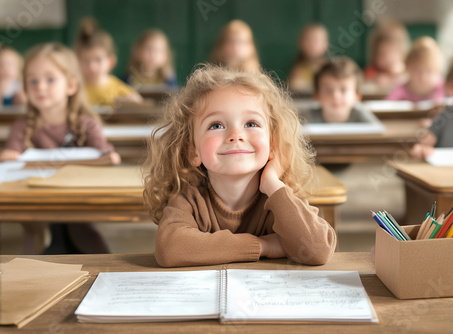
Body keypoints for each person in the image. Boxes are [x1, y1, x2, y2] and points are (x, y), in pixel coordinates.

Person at [143, 64, 336, 267]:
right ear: (193, 151)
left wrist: (271, 183)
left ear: (273, 144)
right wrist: (263, 246)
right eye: (216, 125)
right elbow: (170, 249)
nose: (236, 135)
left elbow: (318, 250)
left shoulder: (280, 198)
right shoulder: (190, 198)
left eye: (251, 123)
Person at [0, 43, 121, 254]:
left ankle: (107, 271)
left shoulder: (87, 124)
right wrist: (8, 156)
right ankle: (32, 276)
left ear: (71, 86)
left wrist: (107, 156)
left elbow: (109, 156)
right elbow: (9, 156)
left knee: (81, 227)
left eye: (50, 79)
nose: (40, 87)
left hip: (78, 199)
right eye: (33, 81)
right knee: (33, 229)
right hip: (36, 201)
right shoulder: (22, 126)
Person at [75, 17, 142, 106]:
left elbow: (138, 101)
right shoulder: (75, 88)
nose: (92, 66)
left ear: (111, 61)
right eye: (86, 60)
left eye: (98, 60)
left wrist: (131, 101)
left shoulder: (118, 89)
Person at [386, 37, 446, 102]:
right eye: (418, 71)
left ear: (437, 70)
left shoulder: (445, 88)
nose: (423, 77)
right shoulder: (400, 91)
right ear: (408, 68)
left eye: (429, 71)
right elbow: (386, 106)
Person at [311, 56, 363, 123]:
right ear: (316, 95)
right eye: (328, 90)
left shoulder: (367, 122)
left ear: (357, 96)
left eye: (343, 90)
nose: (335, 96)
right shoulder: (303, 123)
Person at [364, 19, 409, 86]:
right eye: (382, 54)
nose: (388, 58)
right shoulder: (373, 70)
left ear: (401, 52)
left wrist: (398, 74)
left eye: (392, 53)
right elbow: (367, 79)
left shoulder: (408, 69)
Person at [288, 24, 328, 92]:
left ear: (325, 44)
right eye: (309, 40)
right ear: (300, 43)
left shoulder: (328, 68)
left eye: (316, 40)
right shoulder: (298, 68)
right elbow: (293, 85)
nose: (312, 45)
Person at [0, 41, 26, 106]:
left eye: (11, 65)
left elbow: (25, 108)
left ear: (19, 68)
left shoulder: (21, 86)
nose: (6, 69)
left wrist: (21, 97)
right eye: (0, 65)